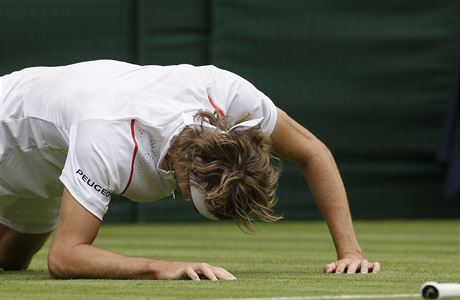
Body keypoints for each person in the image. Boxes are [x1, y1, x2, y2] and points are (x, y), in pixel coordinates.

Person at [0, 60, 380, 280]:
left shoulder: (232, 98)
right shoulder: (110, 135)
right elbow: (65, 258)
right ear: (184, 180)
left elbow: (312, 151)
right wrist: (164, 268)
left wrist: (350, 252)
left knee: (11, 263)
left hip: (51, 157)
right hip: (9, 124)